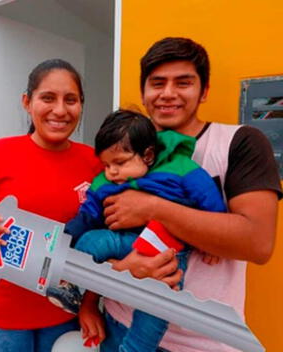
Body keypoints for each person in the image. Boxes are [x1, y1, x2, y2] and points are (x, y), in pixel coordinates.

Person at [100, 37, 281, 352]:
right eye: (158, 83)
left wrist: (153, 208)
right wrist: (121, 269)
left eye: (183, 82)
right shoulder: (126, 149)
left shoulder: (239, 143)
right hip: (120, 322)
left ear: (205, 90)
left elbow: (257, 241)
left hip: (200, 342)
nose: (168, 93)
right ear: (144, 92)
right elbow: (99, 231)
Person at [0, 58, 103, 352]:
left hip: (65, 312)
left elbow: (100, 244)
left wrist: (90, 303)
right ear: (27, 101)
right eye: (48, 98)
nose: (60, 110)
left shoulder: (96, 164)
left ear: (81, 105)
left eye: (70, 100)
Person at [45, 109, 226, 351]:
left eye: (120, 163)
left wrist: (211, 242)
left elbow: (208, 197)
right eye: (107, 164)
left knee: (156, 308)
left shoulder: (179, 168)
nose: (112, 172)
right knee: (91, 240)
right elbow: (87, 216)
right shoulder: (106, 182)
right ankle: (70, 286)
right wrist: (63, 238)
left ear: (148, 155)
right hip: (125, 241)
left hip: (166, 253)